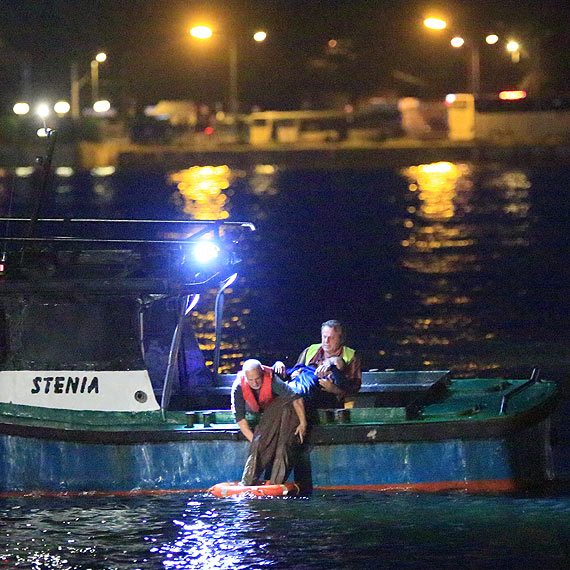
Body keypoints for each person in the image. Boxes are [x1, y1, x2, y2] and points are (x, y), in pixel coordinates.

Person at [231, 359, 307, 485]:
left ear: (262, 374)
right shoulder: (238, 387)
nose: (255, 383)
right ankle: (247, 482)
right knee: (258, 443)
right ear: (245, 377)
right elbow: (241, 421)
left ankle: (276, 482)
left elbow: (296, 399)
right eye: (251, 380)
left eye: (257, 378)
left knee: (283, 444)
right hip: (262, 413)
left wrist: (303, 423)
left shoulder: (273, 381)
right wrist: (257, 442)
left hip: (280, 408)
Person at [274, 319, 361, 408]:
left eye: (332, 338)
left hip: (331, 403)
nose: (326, 341)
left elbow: (354, 390)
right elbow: (296, 369)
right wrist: (293, 374)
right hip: (304, 397)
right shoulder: (310, 351)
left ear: (341, 339)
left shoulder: (351, 356)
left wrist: (334, 389)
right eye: (324, 337)